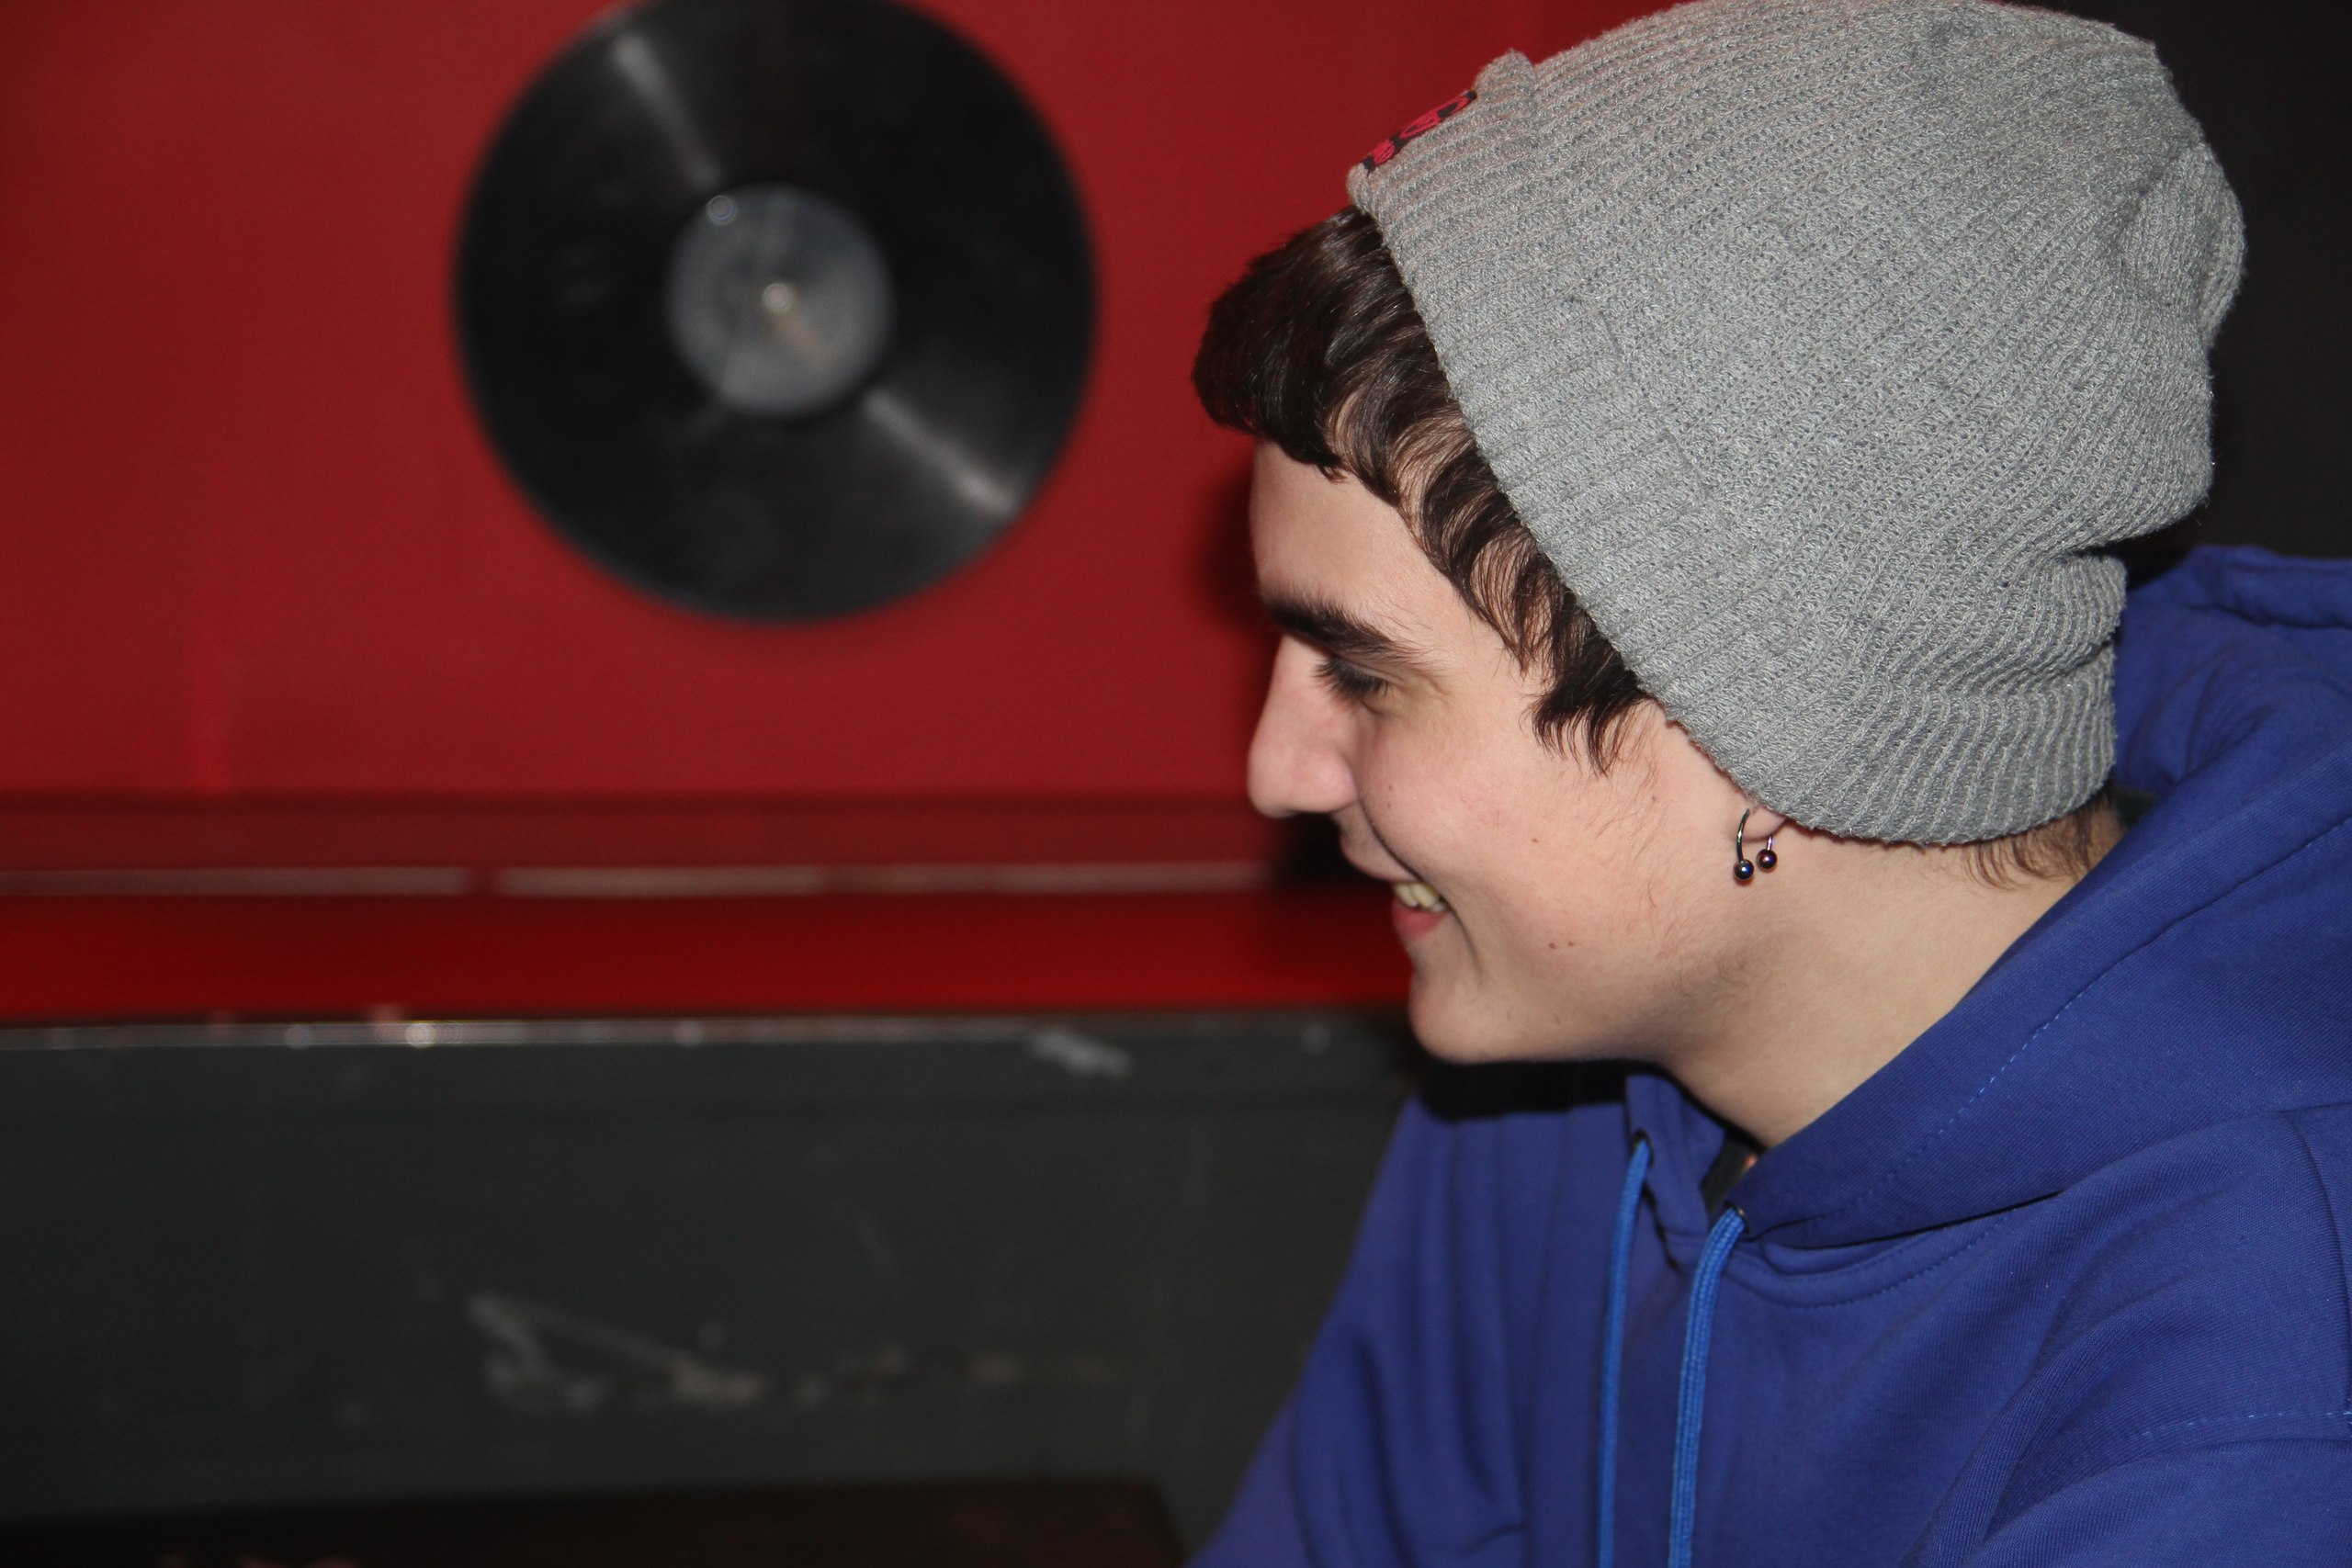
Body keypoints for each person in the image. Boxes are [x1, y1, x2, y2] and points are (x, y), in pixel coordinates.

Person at [1185, 1, 2352, 1563]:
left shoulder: (2255, 1394)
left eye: (1367, 673)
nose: (1276, 772)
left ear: (1770, 723)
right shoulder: (1548, 1059)